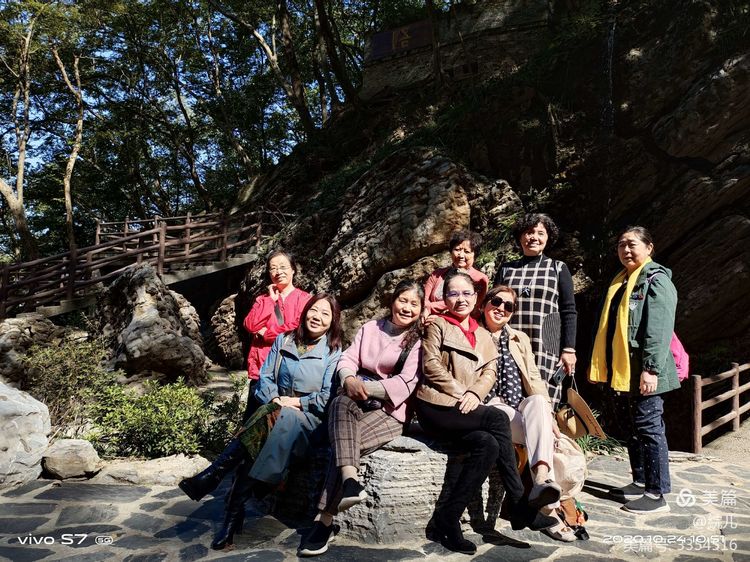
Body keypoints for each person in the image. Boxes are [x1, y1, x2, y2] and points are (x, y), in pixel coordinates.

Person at [179, 294, 343, 550]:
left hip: (309, 420)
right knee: (270, 424)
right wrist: (276, 398)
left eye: (325, 314)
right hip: (275, 409)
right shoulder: (284, 339)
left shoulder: (333, 352)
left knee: (279, 417)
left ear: (333, 322)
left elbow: (326, 398)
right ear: (305, 312)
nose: (317, 317)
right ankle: (231, 515)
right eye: (314, 310)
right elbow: (264, 378)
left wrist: (294, 402)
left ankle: (216, 476)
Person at [414, 271, 557, 554]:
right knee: (497, 417)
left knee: (488, 444)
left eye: (466, 293)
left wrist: (475, 394)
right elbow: (431, 365)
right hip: (436, 405)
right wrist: (462, 392)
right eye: (453, 293)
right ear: (445, 298)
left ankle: (447, 519)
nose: (460, 299)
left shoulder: (483, 335)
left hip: (465, 408)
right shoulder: (438, 324)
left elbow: (490, 372)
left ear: (475, 297)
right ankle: (519, 502)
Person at [297, 280, 424, 557]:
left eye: (414, 304)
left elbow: (405, 383)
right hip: (354, 398)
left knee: (343, 443)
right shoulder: (370, 328)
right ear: (392, 301)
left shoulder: (417, 342)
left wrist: (364, 388)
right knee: (340, 402)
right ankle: (351, 481)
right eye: (403, 300)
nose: (407, 308)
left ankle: (324, 520)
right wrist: (348, 379)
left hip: (389, 410)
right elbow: (347, 359)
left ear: (421, 309)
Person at [588, 226, 679, 514]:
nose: (625, 250)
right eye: (621, 245)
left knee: (649, 428)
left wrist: (651, 369)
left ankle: (656, 493)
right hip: (623, 370)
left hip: (644, 370)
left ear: (649, 248)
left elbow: (659, 329)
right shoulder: (621, 281)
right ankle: (640, 481)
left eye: (632, 244)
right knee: (633, 428)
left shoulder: (656, 279)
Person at [481, 285, 575, 542]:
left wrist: (549, 416)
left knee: (538, 402)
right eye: (496, 302)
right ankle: (551, 512)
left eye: (508, 306)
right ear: (484, 304)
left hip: (519, 406)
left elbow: (533, 378)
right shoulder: (473, 333)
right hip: (492, 406)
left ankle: (542, 479)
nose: (501, 308)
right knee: (540, 436)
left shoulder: (519, 338)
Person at [494, 213, 577, 408]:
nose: (534, 237)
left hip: (546, 342)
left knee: (543, 400)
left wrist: (569, 349)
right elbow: (494, 306)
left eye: (541, 233)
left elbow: (569, 311)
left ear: (548, 238)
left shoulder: (558, 268)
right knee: (510, 396)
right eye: (529, 232)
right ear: (520, 237)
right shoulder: (507, 269)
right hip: (511, 339)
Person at [243, 250, 311, 407]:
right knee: (255, 419)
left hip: (290, 370)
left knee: (284, 418)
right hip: (262, 369)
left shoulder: (305, 299)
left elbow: (298, 327)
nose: (278, 272)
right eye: (273, 268)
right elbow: (250, 325)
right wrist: (270, 301)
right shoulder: (262, 300)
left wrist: (266, 334)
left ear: (293, 269)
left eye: (283, 267)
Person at [423, 230, 489, 322]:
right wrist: (425, 310)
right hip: (428, 319)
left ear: (475, 254)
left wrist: (433, 311)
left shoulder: (480, 279)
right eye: (457, 250)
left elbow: (470, 306)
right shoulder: (437, 274)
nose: (461, 255)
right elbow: (423, 298)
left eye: (467, 251)